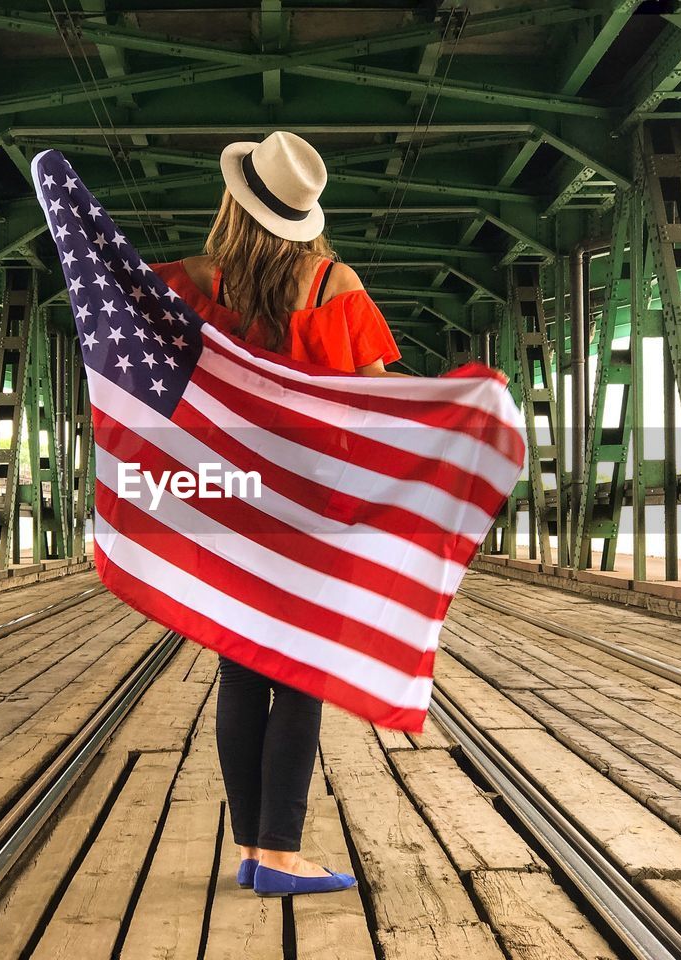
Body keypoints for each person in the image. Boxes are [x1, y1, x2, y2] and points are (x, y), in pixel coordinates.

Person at [151, 131, 403, 898]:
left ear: (236, 199)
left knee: (239, 669)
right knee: (301, 678)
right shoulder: (334, 285)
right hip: (311, 510)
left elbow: (143, 363)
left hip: (227, 506)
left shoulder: (189, 282)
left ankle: (256, 852)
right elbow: (379, 405)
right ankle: (279, 856)